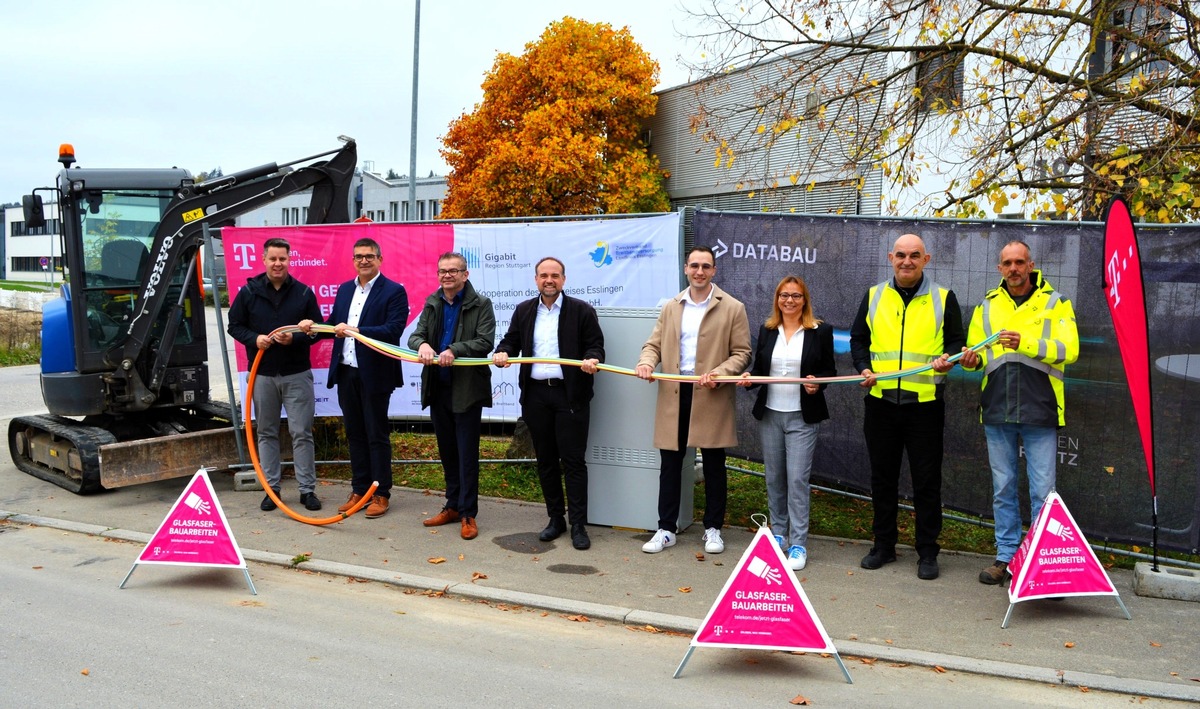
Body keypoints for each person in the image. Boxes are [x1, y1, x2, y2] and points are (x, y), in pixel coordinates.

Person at [959, 241, 1079, 585]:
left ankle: (1040, 561)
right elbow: (979, 355)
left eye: (1019, 262)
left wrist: (1023, 342)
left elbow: (1069, 350)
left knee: (1043, 491)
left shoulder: (1056, 303)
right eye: (1007, 263)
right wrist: (971, 361)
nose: (1013, 268)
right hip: (997, 408)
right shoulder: (987, 305)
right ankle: (1007, 557)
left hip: (1040, 407)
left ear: (1031, 265)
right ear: (1000, 268)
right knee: (1004, 488)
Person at [850, 233, 965, 580]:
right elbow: (859, 339)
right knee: (882, 479)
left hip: (925, 407)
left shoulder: (944, 298)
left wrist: (951, 360)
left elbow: (957, 342)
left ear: (926, 259)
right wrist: (862, 368)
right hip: (882, 405)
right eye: (901, 255)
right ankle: (883, 545)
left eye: (915, 255)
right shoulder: (873, 296)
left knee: (926, 481)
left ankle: (927, 552)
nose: (907, 261)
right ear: (890, 257)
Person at [636, 246, 751, 555]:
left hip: (711, 394)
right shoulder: (671, 307)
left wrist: (720, 372)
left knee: (714, 465)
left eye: (706, 266)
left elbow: (742, 353)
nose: (700, 271)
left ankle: (713, 529)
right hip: (675, 393)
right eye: (694, 265)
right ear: (686, 268)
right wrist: (647, 362)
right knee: (670, 465)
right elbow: (653, 344)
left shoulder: (733, 307)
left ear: (713, 270)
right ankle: (666, 528)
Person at [494, 257, 605, 550]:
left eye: (555, 275)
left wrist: (593, 358)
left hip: (570, 395)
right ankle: (556, 519)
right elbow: (510, 341)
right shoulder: (524, 311)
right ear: (536, 280)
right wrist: (503, 352)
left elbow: (596, 345)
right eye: (544, 275)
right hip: (536, 396)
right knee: (545, 460)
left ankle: (579, 524)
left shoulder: (581, 310)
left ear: (564, 280)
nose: (549, 280)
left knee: (573, 461)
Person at [298, 238, 408, 519]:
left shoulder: (394, 291)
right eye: (359, 256)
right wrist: (312, 328)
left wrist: (355, 330)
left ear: (380, 259)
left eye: (369, 256)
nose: (364, 261)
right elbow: (334, 325)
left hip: (375, 374)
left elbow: (393, 330)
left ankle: (381, 493)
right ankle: (359, 489)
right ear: (353, 260)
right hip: (347, 371)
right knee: (355, 434)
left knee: (376, 435)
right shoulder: (346, 289)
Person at [738, 276, 836, 570]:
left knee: (796, 480)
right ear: (777, 299)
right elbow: (759, 370)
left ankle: (798, 544)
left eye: (796, 296)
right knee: (774, 478)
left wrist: (817, 385)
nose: (789, 301)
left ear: (804, 300)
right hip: (770, 414)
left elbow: (829, 372)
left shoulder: (820, 331)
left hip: (802, 417)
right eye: (784, 295)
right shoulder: (768, 330)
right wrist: (748, 380)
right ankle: (778, 535)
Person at [227, 237, 325, 512]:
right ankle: (272, 490)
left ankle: (307, 491)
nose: (278, 263)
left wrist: (297, 336)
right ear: (264, 260)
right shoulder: (249, 292)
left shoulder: (304, 293)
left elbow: (317, 331)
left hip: (297, 374)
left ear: (289, 260)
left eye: (283, 258)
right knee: (267, 432)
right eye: (273, 258)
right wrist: (255, 338)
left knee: (301, 432)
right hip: (262, 374)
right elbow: (234, 325)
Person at [409, 252, 496, 540]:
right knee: (447, 452)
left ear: (465, 275)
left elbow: (485, 341)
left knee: (466, 453)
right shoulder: (432, 302)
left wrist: (454, 350)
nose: (447, 275)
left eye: (453, 271)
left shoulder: (481, 304)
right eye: (442, 271)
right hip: (438, 388)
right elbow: (414, 335)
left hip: (467, 390)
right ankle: (453, 506)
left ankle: (469, 513)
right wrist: (421, 344)